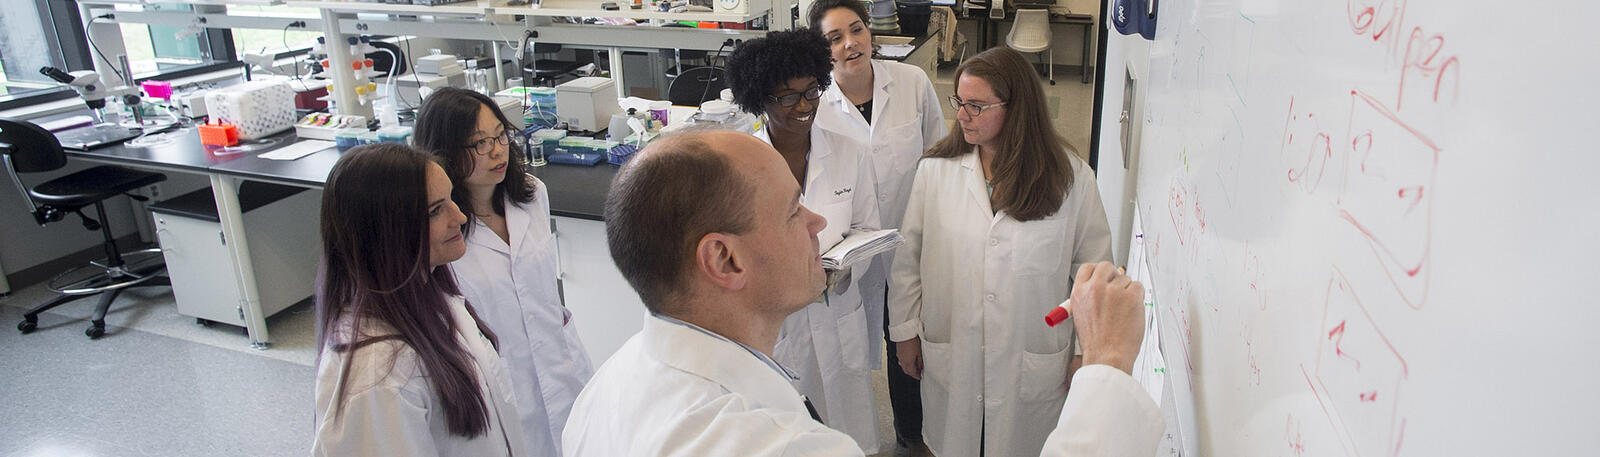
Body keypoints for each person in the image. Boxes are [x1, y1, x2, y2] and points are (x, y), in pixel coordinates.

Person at [561, 130, 1164, 457]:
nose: (819, 224)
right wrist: (1108, 364)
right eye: (795, 211)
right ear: (724, 257)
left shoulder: (606, 389)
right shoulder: (770, 445)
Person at [888, 46, 1115, 457]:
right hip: (952, 347)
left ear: (1016, 108)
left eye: (977, 105)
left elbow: (1093, 272)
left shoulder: (1071, 178)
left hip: (1032, 357)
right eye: (959, 102)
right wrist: (904, 334)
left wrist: (1086, 351)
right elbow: (909, 262)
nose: (962, 115)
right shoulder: (935, 171)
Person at [724, 29, 884, 453]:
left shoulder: (850, 151)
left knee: (849, 431)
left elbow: (867, 226)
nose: (803, 106)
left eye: (811, 91)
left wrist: (841, 271)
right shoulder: (740, 168)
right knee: (787, 434)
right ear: (760, 100)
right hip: (778, 323)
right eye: (786, 97)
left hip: (837, 309)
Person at [312, 144, 527, 456]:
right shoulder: (376, 375)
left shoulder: (433, 299)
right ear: (385, 233)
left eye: (451, 199)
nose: (461, 217)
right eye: (435, 210)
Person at [414, 87, 595, 456]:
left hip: (563, 365)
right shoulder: (441, 232)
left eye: (500, 135)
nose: (498, 151)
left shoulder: (531, 194)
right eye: (479, 143)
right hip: (502, 386)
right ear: (444, 153)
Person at [807, 0, 948, 452]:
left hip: (914, 236)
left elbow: (939, 156)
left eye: (856, 30)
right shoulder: (816, 105)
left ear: (870, 33)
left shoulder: (910, 82)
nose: (850, 43)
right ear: (822, 49)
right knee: (851, 349)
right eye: (835, 38)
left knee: (909, 339)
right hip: (853, 246)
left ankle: (912, 432)